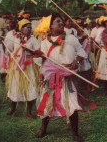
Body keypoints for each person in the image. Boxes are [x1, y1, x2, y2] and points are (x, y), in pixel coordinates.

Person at [35, 13, 89, 142]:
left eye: (61, 21)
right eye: (57, 21)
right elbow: (41, 61)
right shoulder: (44, 43)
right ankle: (43, 129)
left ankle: (75, 134)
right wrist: (39, 56)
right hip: (52, 79)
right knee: (48, 103)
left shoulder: (71, 38)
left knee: (72, 104)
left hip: (68, 77)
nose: (61, 23)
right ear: (50, 26)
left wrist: (76, 61)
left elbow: (81, 52)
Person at [5, 19, 40, 118]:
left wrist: (29, 50)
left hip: (28, 65)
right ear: (21, 28)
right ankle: (13, 109)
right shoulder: (15, 38)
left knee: (30, 86)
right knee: (15, 86)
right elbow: (9, 50)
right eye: (27, 27)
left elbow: (38, 51)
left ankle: (29, 112)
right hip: (17, 66)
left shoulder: (33, 39)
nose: (29, 29)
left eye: (30, 27)